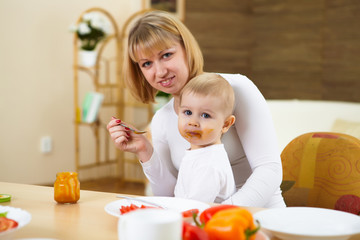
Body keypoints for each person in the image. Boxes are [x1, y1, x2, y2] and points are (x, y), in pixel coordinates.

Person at [107, 10, 286, 208]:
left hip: (260, 218)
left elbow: (269, 170)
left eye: (166, 55)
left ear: (186, 49)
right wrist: (145, 151)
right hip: (204, 227)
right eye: (147, 63)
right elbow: (169, 195)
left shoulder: (237, 89)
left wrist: (221, 214)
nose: (160, 71)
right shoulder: (162, 119)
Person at [174, 73, 236, 203]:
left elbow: (193, 209)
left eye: (205, 115)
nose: (193, 122)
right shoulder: (198, 154)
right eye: (188, 112)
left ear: (225, 124)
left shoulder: (209, 164)